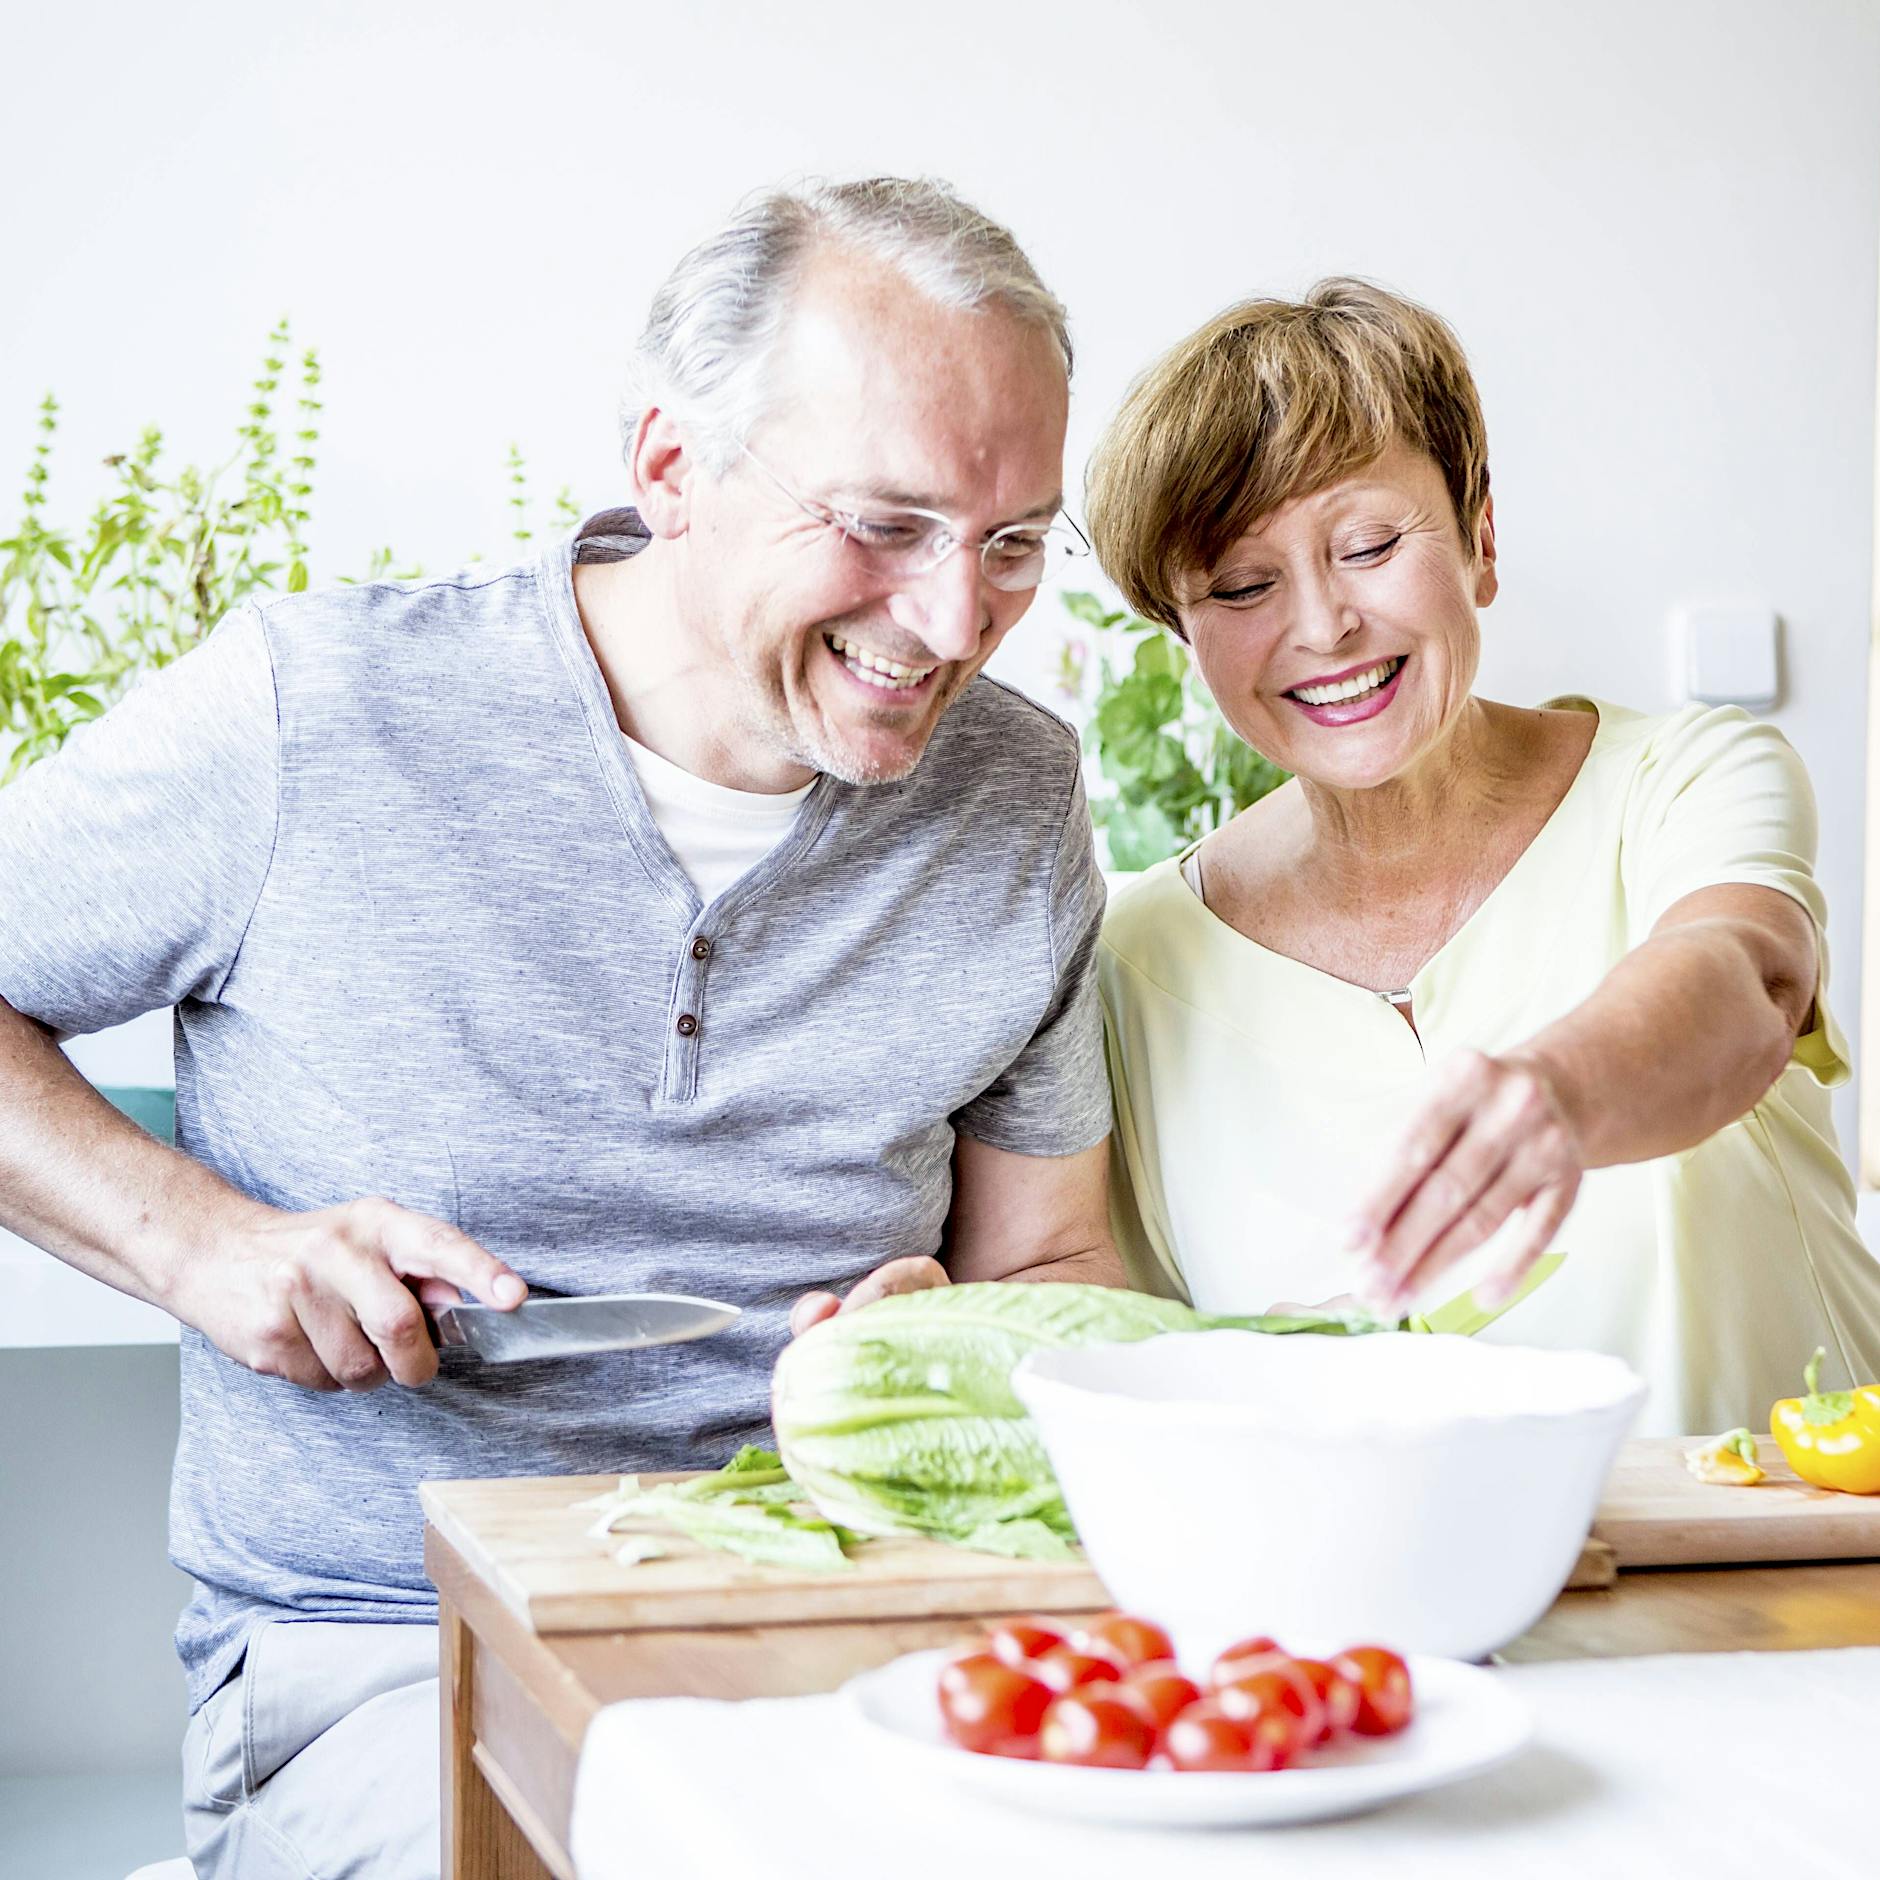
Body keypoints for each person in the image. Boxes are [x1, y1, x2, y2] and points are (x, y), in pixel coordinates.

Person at [0, 178, 1122, 1879]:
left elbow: (1055, 1265)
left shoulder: (1018, 802)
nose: (955, 621)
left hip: (857, 1644)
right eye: (886, 523)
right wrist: (203, 1247)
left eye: (1016, 542)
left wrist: (963, 1339)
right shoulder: (322, 712)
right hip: (394, 1664)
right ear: (672, 466)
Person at [1086, 277, 1880, 1438]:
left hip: (1802, 1540)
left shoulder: (1679, 778)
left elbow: (1748, 976)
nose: (1321, 625)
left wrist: (1560, 1091)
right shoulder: (1130, 964)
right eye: (1244, 584)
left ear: (1480, 541)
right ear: (1187, 636)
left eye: (1367, 544)